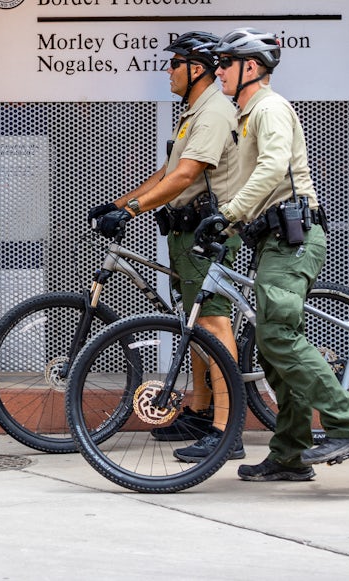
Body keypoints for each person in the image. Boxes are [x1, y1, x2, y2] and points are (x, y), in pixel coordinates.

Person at [210, 27, 349, 482]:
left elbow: (272, 167)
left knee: (278, 336)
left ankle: (348, 423)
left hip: (292, 240)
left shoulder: (269, 108)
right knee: (271, 345)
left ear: (250, 67)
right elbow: (249, 182)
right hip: (273, 239)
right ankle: (290, 454)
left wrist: (229, 212)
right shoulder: (247, 115)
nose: (218, 70)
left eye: (226, 62)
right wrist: (224, 223)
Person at [88, 31, 243, 461]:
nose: (167, 72)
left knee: (212, 325)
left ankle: (227, 430)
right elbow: (166, 171)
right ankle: (198, 409)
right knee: (191, 325)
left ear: (197, 68)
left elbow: (186, 176)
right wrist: (116, 205)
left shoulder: (212, 113)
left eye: (173, 63)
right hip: (182, 233)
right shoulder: (194, 113)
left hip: (204, 236)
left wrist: (132, 211)